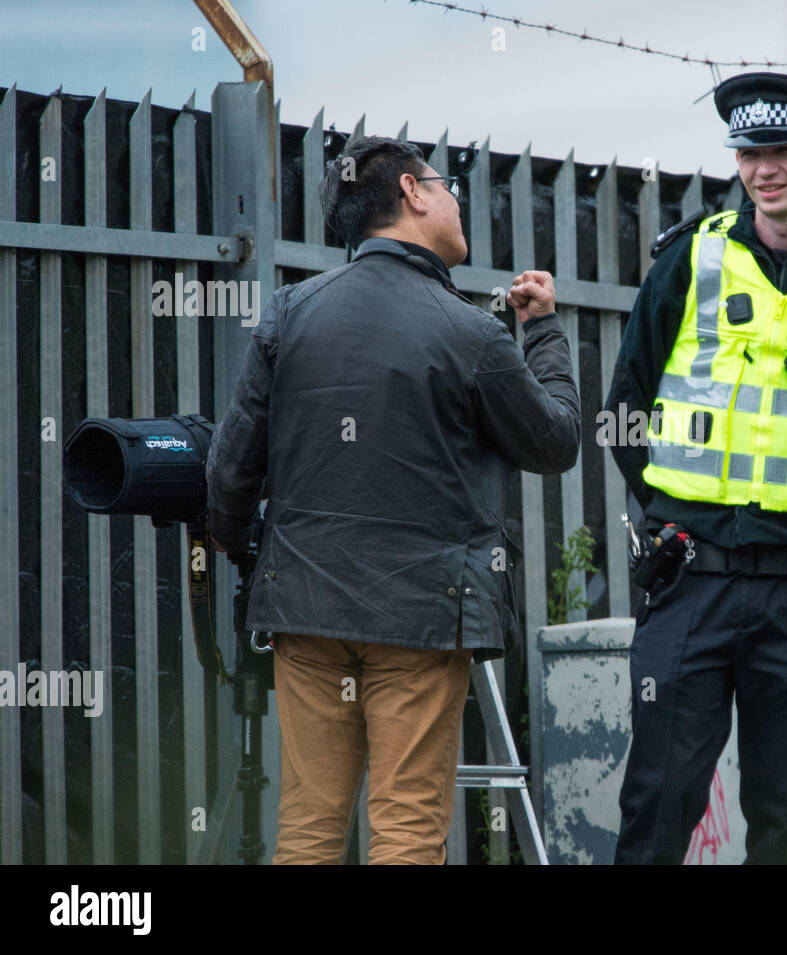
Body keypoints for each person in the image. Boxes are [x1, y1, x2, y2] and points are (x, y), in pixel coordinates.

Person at [205, 135, 580, 864]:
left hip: (306, 612)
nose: (456, 200)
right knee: (407, 828)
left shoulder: (290, 312)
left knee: (308, 829)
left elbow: (229, 473)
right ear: (412, 192)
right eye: (447, 186)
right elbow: (556, 440)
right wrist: (541, 333)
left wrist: (246, 548)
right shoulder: (471, 333)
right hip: (421, 614)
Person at [604, 72, 787, 864]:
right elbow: (624, 409)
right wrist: (669, 513)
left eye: (783, 151)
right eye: (749, 151)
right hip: (690, 575)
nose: (763, 168)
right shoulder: (688, 261)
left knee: (782, 811)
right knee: (658, 800)